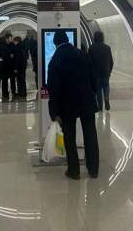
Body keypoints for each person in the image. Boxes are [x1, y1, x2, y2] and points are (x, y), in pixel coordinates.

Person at [48, 30, 99, 180]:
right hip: (86, 100)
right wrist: (92, 93)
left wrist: (54, 112)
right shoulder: (83, 54)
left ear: (55, 43)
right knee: (90, 134)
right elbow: (93, 78)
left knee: (69, 138)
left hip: (67, 104)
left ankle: (74, 171)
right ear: (67, 40)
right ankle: (93, 169)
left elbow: (54, 89)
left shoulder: (55, 60)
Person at [88, 31, 114, 111]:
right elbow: (111, 61)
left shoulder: (91, 48)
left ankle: (100, 106)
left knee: (98, 90)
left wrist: (90, 73)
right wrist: (109, 71)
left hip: (96, 74)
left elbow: (89, 62)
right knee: (106, 87)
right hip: (105, 72)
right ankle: (106, 99)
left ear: (95, 38)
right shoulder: (107, 48)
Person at [0, 33, 14, 99]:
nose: (11, 39)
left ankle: (4, 94)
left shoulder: (10, 45)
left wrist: (11, 56)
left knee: (5, 80)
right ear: (7, 38)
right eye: (11, 38)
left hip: (6, 66)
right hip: (1, 66)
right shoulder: (1, 45)